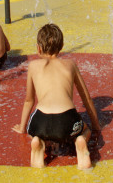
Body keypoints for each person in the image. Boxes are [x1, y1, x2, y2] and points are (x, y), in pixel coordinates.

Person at [12, 23, 100, 169]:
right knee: (85, 130)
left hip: (41, 120)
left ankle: (38, 141)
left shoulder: (33, 66)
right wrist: (95, 126)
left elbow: (29, 100)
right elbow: (86, 98)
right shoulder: (70, 64)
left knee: (33, 132)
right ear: (62, 45)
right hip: (67, 120)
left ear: (38, 47)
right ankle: (80, 140)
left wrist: (22, 128)